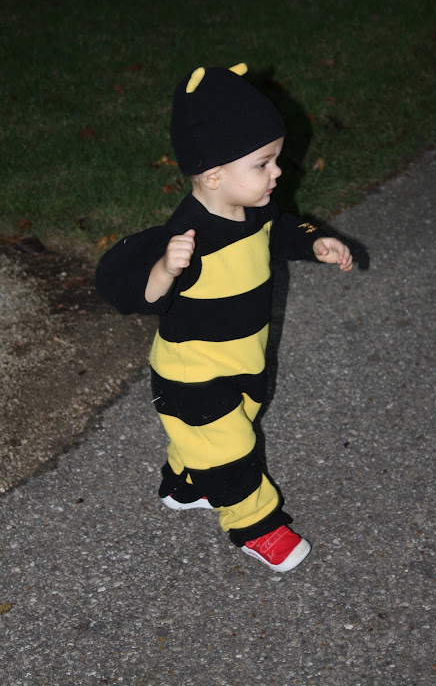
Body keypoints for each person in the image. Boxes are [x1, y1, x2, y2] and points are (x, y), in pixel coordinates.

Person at [96, 63, 353, 573]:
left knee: (228, 426)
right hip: (192, 375)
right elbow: (144, 295)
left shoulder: (254, 210)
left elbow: (282, 227)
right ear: (214, 175)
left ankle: (185, 485)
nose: (277, 173)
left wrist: (313, 241)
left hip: (240, 358)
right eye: (263, 164)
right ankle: (257, 526)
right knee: (231, 447)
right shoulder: (190, 239)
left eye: (275, 160)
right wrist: (165, 270)